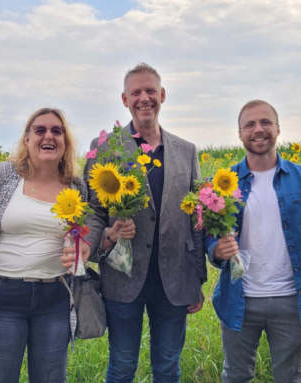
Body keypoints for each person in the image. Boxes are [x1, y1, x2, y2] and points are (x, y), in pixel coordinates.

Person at [84, 63, 207, 383]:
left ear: (162, 95)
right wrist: (107, 237)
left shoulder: (186, 151)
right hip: (123, 279)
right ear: (124, 99)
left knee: (167, 366)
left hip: (174, 280)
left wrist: (197, 278)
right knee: (122, 364)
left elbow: (197, 218)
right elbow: (94, 211)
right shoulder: (105, 151)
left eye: (150, 91)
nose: (144, 98)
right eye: (136, 92)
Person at [206, 99, 301, 382]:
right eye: (249, 124)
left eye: (265, 122)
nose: (258, 129)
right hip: (239, 299)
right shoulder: (223, 182)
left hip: (293, 301)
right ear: (239, 133)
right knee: (236, 375)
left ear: (278, 128)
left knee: (292, 376)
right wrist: (217, 250)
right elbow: (209, 239)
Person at [0, 107, 88, 383]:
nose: (48, 136)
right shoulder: (5, 175)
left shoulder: (75, 185)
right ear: (27, 139)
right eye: (40, 130)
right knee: (0, 377)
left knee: (50, 377)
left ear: (65, 142)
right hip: (4, 293)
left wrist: (81, 247)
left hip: (54, 296)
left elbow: (81, 233)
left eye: (56, 131)